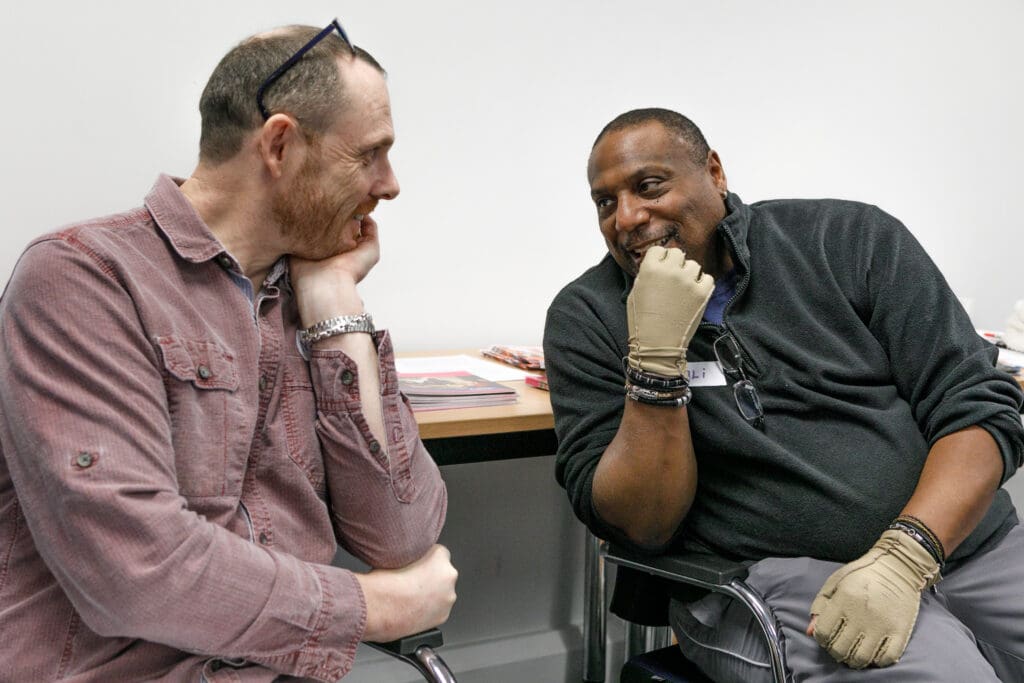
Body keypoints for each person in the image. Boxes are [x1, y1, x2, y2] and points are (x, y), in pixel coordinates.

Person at [0, 21, 457, 682]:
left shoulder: (307, 289)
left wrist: (334, 305)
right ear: (280, 143)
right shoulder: (82, 280)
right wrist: (371, 608)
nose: (389, 184)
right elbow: (135, 571)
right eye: (370, 154)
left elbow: (402, 534)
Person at [544, 108, 1024, 682]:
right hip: (775, 581)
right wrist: (654, 363)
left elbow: (976, 404)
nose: (627, 217)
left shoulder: (847, 240)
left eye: (649, 186)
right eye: (605, 203)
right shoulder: (589, 316)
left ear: (714, 173)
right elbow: (641, 524)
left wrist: (907, 554)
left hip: (958, 545)